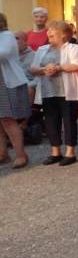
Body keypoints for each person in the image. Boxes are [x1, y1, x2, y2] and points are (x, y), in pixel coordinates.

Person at [30, 21, 78, 166]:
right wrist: (45, 70)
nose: (49, 36)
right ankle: (55, 152)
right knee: (50, 122)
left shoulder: (73, 48)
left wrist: (58, 68)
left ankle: (70, 152)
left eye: (53, 34)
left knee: (69, 122)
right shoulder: (42, 49)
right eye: (48, 33)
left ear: (64, 35)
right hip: (48, 92)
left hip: (68, 92)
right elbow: (33, 69)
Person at [0, 13, 31, 168]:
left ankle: (21, 155)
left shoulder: (6, 36)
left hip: (7, 82)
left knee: (8, 119)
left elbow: (3, 53)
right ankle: (2, 153)